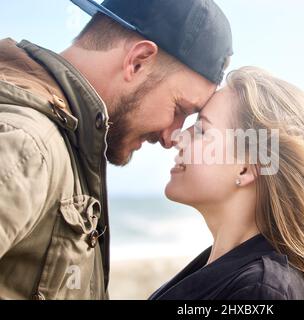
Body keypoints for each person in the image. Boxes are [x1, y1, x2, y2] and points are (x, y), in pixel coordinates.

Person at [0, 0, 232, 300]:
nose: (172, 136)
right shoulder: (28, 145)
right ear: (138, 61)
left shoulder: (66, 138)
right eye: (179, 108)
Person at [150, 67, 304, 300]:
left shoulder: (260, 290)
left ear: (247, 168)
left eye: (202, 130)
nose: (179, 138)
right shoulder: (226, 268)